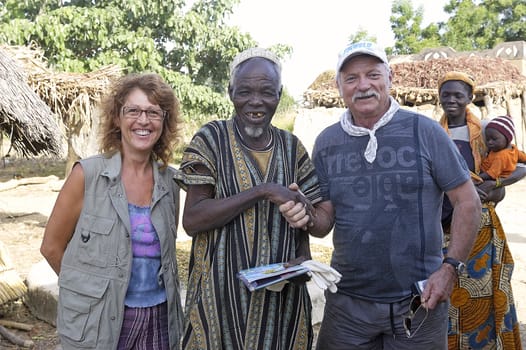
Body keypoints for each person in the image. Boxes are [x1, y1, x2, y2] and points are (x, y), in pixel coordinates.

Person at [290, 41, 482, 349]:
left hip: (420, 302)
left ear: (389, 78)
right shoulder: (327, 142)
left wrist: (450, 269)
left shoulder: (425, 132)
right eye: (351, 78)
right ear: (339, 87)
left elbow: (468, 202)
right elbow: (324, 222)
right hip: (347, 303)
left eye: (372, 74)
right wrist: (304, 212)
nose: (363, 85)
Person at [174, 47, 334, 350]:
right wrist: (263, 190)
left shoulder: (292, 147)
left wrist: (304, 246)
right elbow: (193, 220)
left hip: (282, 304)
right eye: (245, 91)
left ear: (279, 94)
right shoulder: (211, 139)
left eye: (267, 92)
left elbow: (315, 217)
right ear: (230, 91)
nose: (256, 101)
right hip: (220, 296)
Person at [40, 73, 184, 350]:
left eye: (154, 112)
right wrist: (88, 293)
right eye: (133, 110)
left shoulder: (170, 181)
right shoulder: (87, 175)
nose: (143, 120)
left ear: (164, 121)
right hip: (99, 320)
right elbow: (51, 247)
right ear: (117, 118)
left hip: (160, 319)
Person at [438, 71, 526, 349]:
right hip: (441, 229)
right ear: (438, 97)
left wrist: (491, 185)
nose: (451, 100)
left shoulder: (487, 132)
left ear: (469, 99)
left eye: (458, 95)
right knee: (448, 296)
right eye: (446, 94)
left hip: (481, 230)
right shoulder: (431, 133)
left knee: (484, 295)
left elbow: (518, 165)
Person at [478, 115, 526, 182]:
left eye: (494, 139)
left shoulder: (501, 156)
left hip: (487, 177)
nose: (489, 142)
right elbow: (524, 158)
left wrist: (476, 178)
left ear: (507, 138)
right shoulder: (514, 149)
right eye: (488, 139)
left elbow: (491, 174)